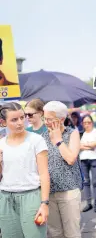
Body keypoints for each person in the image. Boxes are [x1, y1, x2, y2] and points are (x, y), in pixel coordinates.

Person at [0, 102, 50, 238]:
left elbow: (44, 173)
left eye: (22, 117)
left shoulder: (36, 140)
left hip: (31, 197)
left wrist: (44, 204)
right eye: (14, 119)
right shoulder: (1, 144)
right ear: (3, 122)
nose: (20, 123)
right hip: (5, 198)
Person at [42, 101, 82, 238]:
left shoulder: (72, 133)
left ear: (61, 120)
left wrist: (58, 141)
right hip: (50, 192)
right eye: (45, 118)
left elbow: (71, 159)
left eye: (49, 119)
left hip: (69, 191)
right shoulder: (42, 137)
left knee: (72, 232)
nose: (46, 122)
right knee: (54, 233)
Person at [80, 114, 96, 213]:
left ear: (92, 123)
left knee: (95, 182)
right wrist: (90, 145)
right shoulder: (82, 134)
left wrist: (85, 145)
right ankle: (89, 203)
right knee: (86, 182)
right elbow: (79, 146)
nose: (87, 124)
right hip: (84, 160)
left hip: (95, 159)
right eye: (85, 123)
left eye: (89, 122)